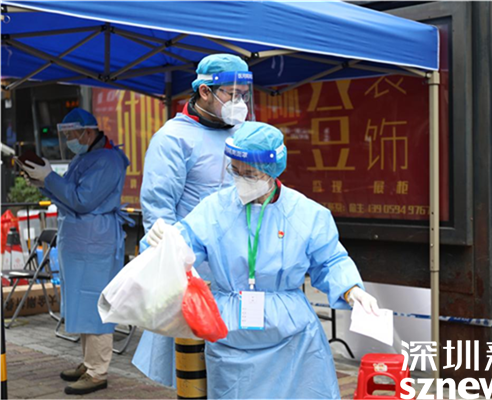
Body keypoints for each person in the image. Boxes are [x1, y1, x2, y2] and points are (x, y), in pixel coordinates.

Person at [145, 121, 380, 399]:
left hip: (293, 337)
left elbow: (330, 260)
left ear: (272, 170)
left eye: (250, 173)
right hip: (230, 333)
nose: (240, 179)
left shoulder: (306, 213)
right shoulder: (215, 209)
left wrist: (352, 289)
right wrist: (163, 242)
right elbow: (184, 242)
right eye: (235, 171)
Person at [133, 53, 254, 386]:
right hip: (197, 270)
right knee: (196, 368)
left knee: (240, 366)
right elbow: (159, 210)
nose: (239, 103)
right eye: (232, 94)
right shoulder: (173, 138)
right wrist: (174, 264)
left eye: (244, 95)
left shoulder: (243, 134)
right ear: (204, 91)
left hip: (241, 266)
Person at [21, 108, 130, 395]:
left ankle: (97, 371)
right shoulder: (86, 157)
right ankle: (89, 362)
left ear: (88, 132)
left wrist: (49, 178)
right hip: (82, 241)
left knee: (95, 304)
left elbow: (82, 200)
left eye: (73, 135)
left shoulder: (108, 160)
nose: (69, 140)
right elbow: (67, 194)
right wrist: (44, 183)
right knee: (82, 303)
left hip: (95, 241)